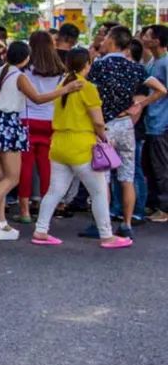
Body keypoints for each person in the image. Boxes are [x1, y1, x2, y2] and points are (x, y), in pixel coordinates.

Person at [0, 41, 78, 241]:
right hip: (10, 124)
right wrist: (65, 89)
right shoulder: (19, 76)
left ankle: (1, 221)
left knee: (1, 177)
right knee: (12, 177)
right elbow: (37, 98)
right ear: (26, 58)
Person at [30, 49, 133, 249]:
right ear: (87, 64)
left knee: (55, 191)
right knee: (99, 192)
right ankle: (107, 235)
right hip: (81, 146)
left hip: (59, 144)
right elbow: (97, 120)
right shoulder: (87, 87)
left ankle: (41, 230)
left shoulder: (63, 85)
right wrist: (105, 137)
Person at [83, 26, 165, 237]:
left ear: (111, 41)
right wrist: (140, 104)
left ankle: (103, 224)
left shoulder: (100, 66)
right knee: (127, 176)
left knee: (103, 177)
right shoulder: (135, 68)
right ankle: (127, 224)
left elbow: (87, 93)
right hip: (127, 124)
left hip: (105, 125)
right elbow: (162, 89)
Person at [16, 31, 65, 224]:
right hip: (50, 121)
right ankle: (46, 210)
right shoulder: (60, 70)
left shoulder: (25, 69)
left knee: (25, 167)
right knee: (46, 167)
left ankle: (24, 210)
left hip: (27, 119)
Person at [110, 39, 151, 230]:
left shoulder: (128, 71)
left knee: (126, 173)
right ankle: (125, 216)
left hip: (121, 127)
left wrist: (128, 116)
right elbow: (158, 91)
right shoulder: (137, 72)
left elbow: (141, 101)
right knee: (126, 174)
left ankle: (135, 212)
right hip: (127, 127)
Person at [143, 24, 168, 222]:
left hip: (161, 122)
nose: (144, 37)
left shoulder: (165, 63)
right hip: (150, 120)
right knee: (150, 166)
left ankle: (164, 207)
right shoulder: (152, 61)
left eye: (148, 35)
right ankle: (153, 204)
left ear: (157, 40)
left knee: (161, 167)